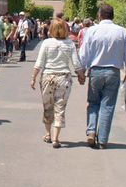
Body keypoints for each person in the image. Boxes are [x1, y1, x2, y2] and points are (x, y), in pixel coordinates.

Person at [78, 4, 126, 149]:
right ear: (112, 16)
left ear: (99, 15)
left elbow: (84, 52)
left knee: (93, 102)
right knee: (107, 106)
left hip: (95, 71)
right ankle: (102, 139)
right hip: (113, 71)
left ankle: (91, 131)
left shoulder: (92, 30)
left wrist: (81, 70)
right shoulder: (121, 31)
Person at [30, 19, 85, 149]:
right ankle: (56, 138)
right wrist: (81, 75)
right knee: (60, 107)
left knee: (47, 106)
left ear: (51, 29)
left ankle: (48, 134)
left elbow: (39, 62)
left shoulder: (46, 43)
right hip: (64, 77)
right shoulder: (70, 43)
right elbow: (76, 63)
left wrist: (33, 77)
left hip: (48, 76)